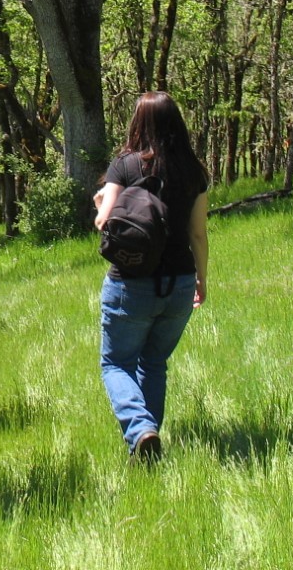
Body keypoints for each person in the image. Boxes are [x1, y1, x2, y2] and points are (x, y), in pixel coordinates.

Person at [93, 91, 209, 463]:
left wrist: (99, 205)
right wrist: (202, 279)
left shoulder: (124, 166)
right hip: (179, 283)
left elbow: (104, 222)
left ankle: (140, 429)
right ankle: (146, 446)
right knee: (154, 362)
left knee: (115, 363)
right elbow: (198, 233)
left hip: (131, 283)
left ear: (137, 123)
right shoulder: (194, 170)